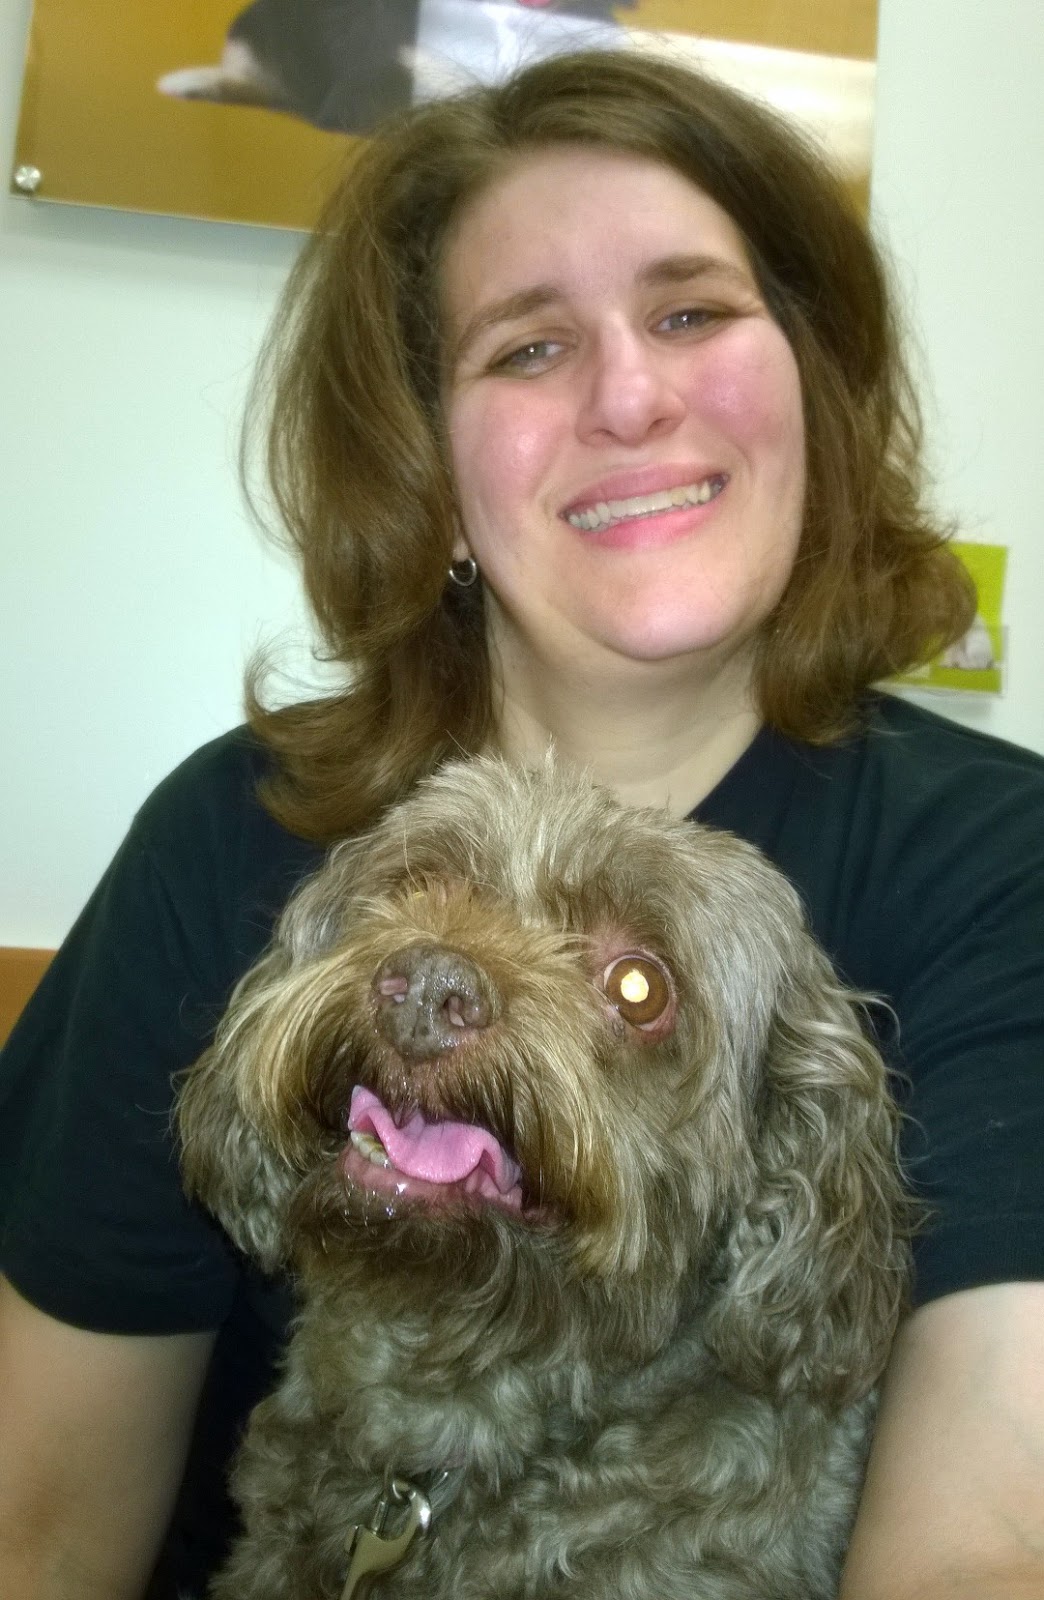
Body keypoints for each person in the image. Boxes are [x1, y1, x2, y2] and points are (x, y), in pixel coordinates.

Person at [1, 47, 1042, 1600]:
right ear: (429, 461)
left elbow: (987, 1547)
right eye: (529, 346)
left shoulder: (1006, 870)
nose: (629, 396)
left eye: (690, 313)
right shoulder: (230, 836)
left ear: (812, 390)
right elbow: (40, 1530)